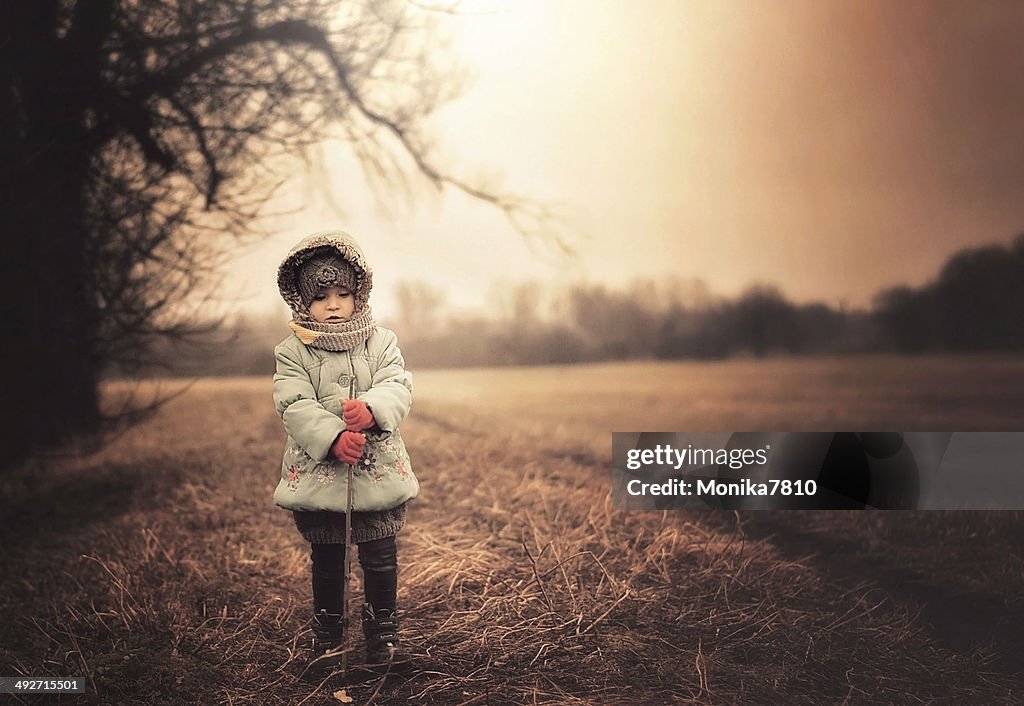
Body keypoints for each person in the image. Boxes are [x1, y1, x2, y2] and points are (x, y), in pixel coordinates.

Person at [272, 230, 418, 673]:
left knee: (379, 555)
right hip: (321, 475)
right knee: (329, 559)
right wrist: (333, 436)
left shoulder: (382, 341)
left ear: (360, 294)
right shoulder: (292, 350)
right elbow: (292, 402)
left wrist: (372, 410)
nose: (333, 304)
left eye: (342, 293)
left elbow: (398, 384)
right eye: (320, 297)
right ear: (301, 302)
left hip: (375, 471)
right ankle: (328, 639)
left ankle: (383, 637)